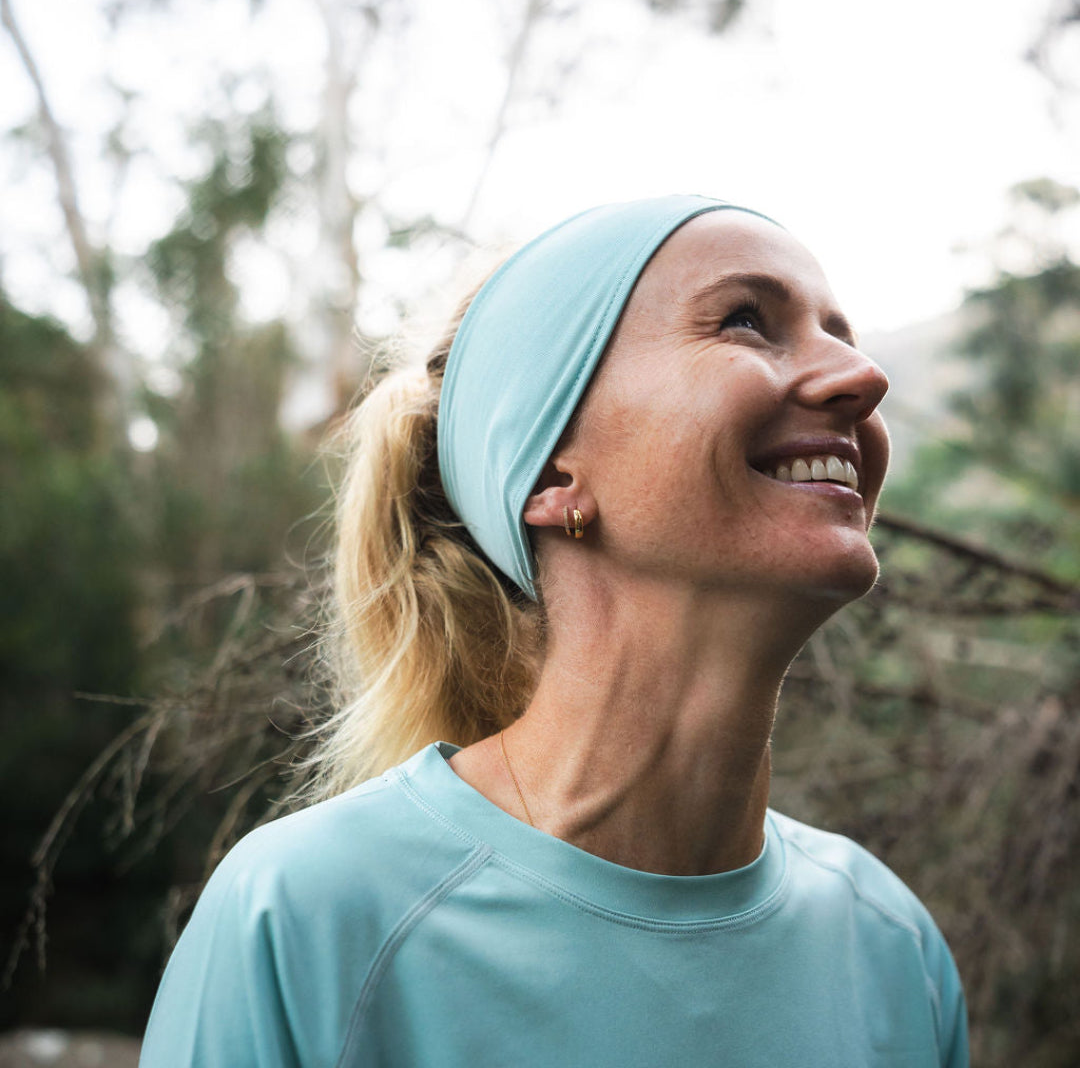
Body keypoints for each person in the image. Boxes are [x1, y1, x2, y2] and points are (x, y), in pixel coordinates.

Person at [139, 195, 969, 1067]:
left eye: (844, 333)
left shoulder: (890, 950)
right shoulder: (311, 916)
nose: (863, 376)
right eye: (746, 321)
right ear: (550, 472)